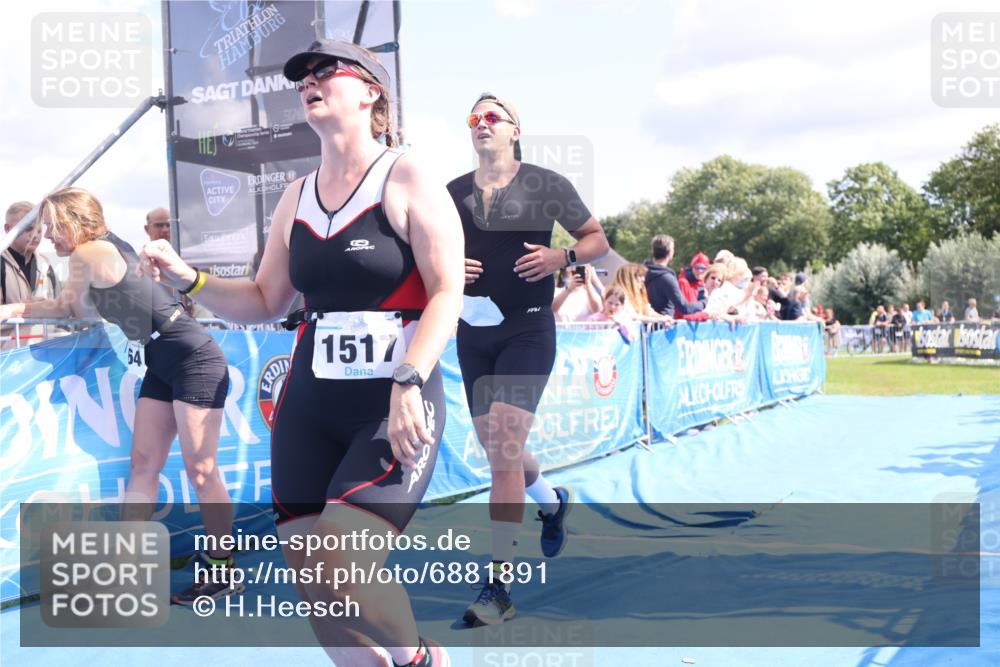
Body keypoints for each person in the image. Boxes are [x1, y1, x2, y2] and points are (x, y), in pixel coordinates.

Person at [141, 39, 462, 666]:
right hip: (310, 404)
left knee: (343, 553)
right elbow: (264, 299)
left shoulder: (407, 176)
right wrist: (188, 279)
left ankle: (420, 660)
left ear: (371, 92)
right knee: (313, 582)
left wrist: (408, 379)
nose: (308, 83)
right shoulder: (296, 195)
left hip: (392, 399)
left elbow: (448, 291)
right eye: (302, 78)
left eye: (325, 73)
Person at [0, 188, 236, 603]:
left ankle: (223, 568)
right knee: (143, 464)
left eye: (53, 227)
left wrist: (15, 310)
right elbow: (88, 310)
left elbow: (69, 311)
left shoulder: (87, 252)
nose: (49, 237)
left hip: (193, 358)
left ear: (73, 223)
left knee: (202, 471)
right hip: (162, 360)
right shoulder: (107, 247)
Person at [447, 91, 609, 627]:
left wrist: (560, 256)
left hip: (527, 331)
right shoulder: (449, 193)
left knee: (504, 451)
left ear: (516, 129)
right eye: (474, 118)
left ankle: (499, 589)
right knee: (503, 456)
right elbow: (424, 253)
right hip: (473, 334)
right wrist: (448, 268)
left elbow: (595, 239)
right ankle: (552, 500)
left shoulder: (544, 184)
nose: (482, 124)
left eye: (493, 116)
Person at [1, 201, 60, 348]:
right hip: (7, 360)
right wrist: (28, 308)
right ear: (8, 228)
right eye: (28, 229)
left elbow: (60, 312)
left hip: (43, 359)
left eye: (40, 230)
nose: (36, 235)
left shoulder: (46, 265)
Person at [644, 235, 706, 318]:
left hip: (646, 323)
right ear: (670, 252)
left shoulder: (642, 273)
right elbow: (683, 307)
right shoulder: (667, 278)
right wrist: (703, 303)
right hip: (664, 324)